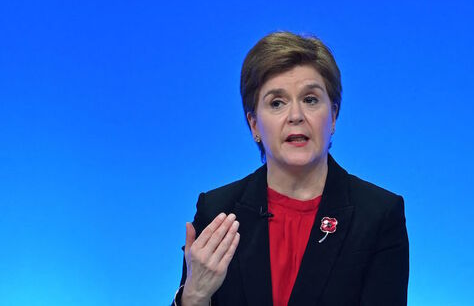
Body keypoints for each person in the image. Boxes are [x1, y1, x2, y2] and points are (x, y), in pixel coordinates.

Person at [173, 32, 409, 306]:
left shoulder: (378, 215)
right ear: (253, 125)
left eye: (310, 99)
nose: (296, 116)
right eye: (277, 103)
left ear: (333, 115)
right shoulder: (217, 212)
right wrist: (193, 296)